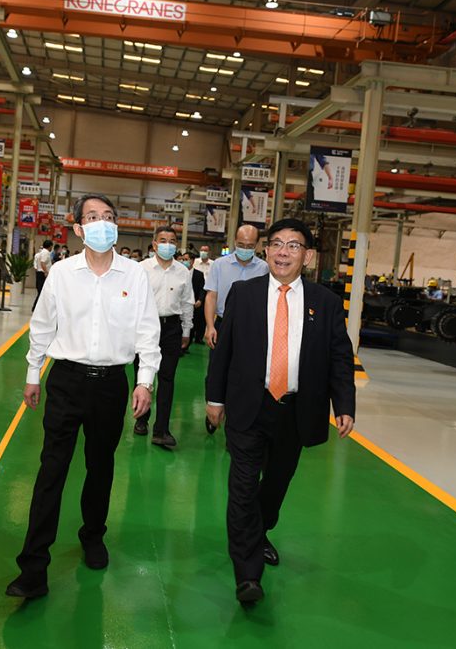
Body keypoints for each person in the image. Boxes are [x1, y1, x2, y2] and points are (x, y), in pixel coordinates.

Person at [8, 194, 161, 599]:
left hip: (111, 384)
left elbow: (148, 331)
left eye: (108, 216)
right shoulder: (62, 273)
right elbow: (42, 325)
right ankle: (33, 567)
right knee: (51, 469)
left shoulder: (134, 275)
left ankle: (93, 534)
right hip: (66, 381)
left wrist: (144, 380)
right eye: (92, 217)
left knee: (100, 466)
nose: (102, 223)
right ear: (78, 228)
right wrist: (33, 374)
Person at [205, 218, 355, 605]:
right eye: (276, 244)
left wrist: (344, 404)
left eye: (293, 245)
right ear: (267, 251)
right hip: (249, 406)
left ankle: (259, 530)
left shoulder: (325, 302)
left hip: (295, 410)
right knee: (242, 487)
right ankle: (247, 573)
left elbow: (340, 356)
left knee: (275, 484)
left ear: (308, 256)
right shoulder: (244, 293)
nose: (283, 252)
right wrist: (215, 398)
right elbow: (224, 351)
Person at [203, 225, 268, 433]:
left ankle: (237, 415)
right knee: (216, 368)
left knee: (244, 372)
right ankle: (213, 405)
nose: (245, 249)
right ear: (234, 242)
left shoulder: (264, 268)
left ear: (257, 245)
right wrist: (210, 325)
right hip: (223, 323)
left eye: (250, 246)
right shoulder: (219, 265)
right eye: (241, 244)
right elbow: (211, 296)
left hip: (251, 327)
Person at [135, 226, 194, 447]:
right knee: (143, 375)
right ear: (154, 244)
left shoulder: (183, 272)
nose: (167, 244)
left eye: (172, 241)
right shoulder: (141, 269)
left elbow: (187, 303)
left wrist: (186, 330)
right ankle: (142, 419)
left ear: (176, 245)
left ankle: (161, 429)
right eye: (163, 240)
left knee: (167, 378)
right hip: (145, 327)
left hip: (171, 329)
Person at [33, 239, 53, 310]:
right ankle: (35, 307)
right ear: (50, 246)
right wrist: (46, 272)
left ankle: (36, 308)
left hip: (40, 273)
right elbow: (42, 263)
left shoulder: (42, 252)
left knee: (41, 292)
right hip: (42, 274)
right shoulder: (45, 252)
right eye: (51, 246)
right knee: (41, 292)